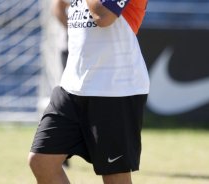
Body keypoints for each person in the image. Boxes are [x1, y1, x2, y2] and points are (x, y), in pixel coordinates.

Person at [28, 0, 150, 183]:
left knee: (114, 175)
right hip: (72, 86)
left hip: (115, 89)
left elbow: (103, 16)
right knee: (41, 161)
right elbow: (59, 7)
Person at [51, 0, 70, 168]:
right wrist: (75, 31)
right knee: (69, 99)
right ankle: (60, 153)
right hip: (71, 48)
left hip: (94, 50)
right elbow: (57, 7)